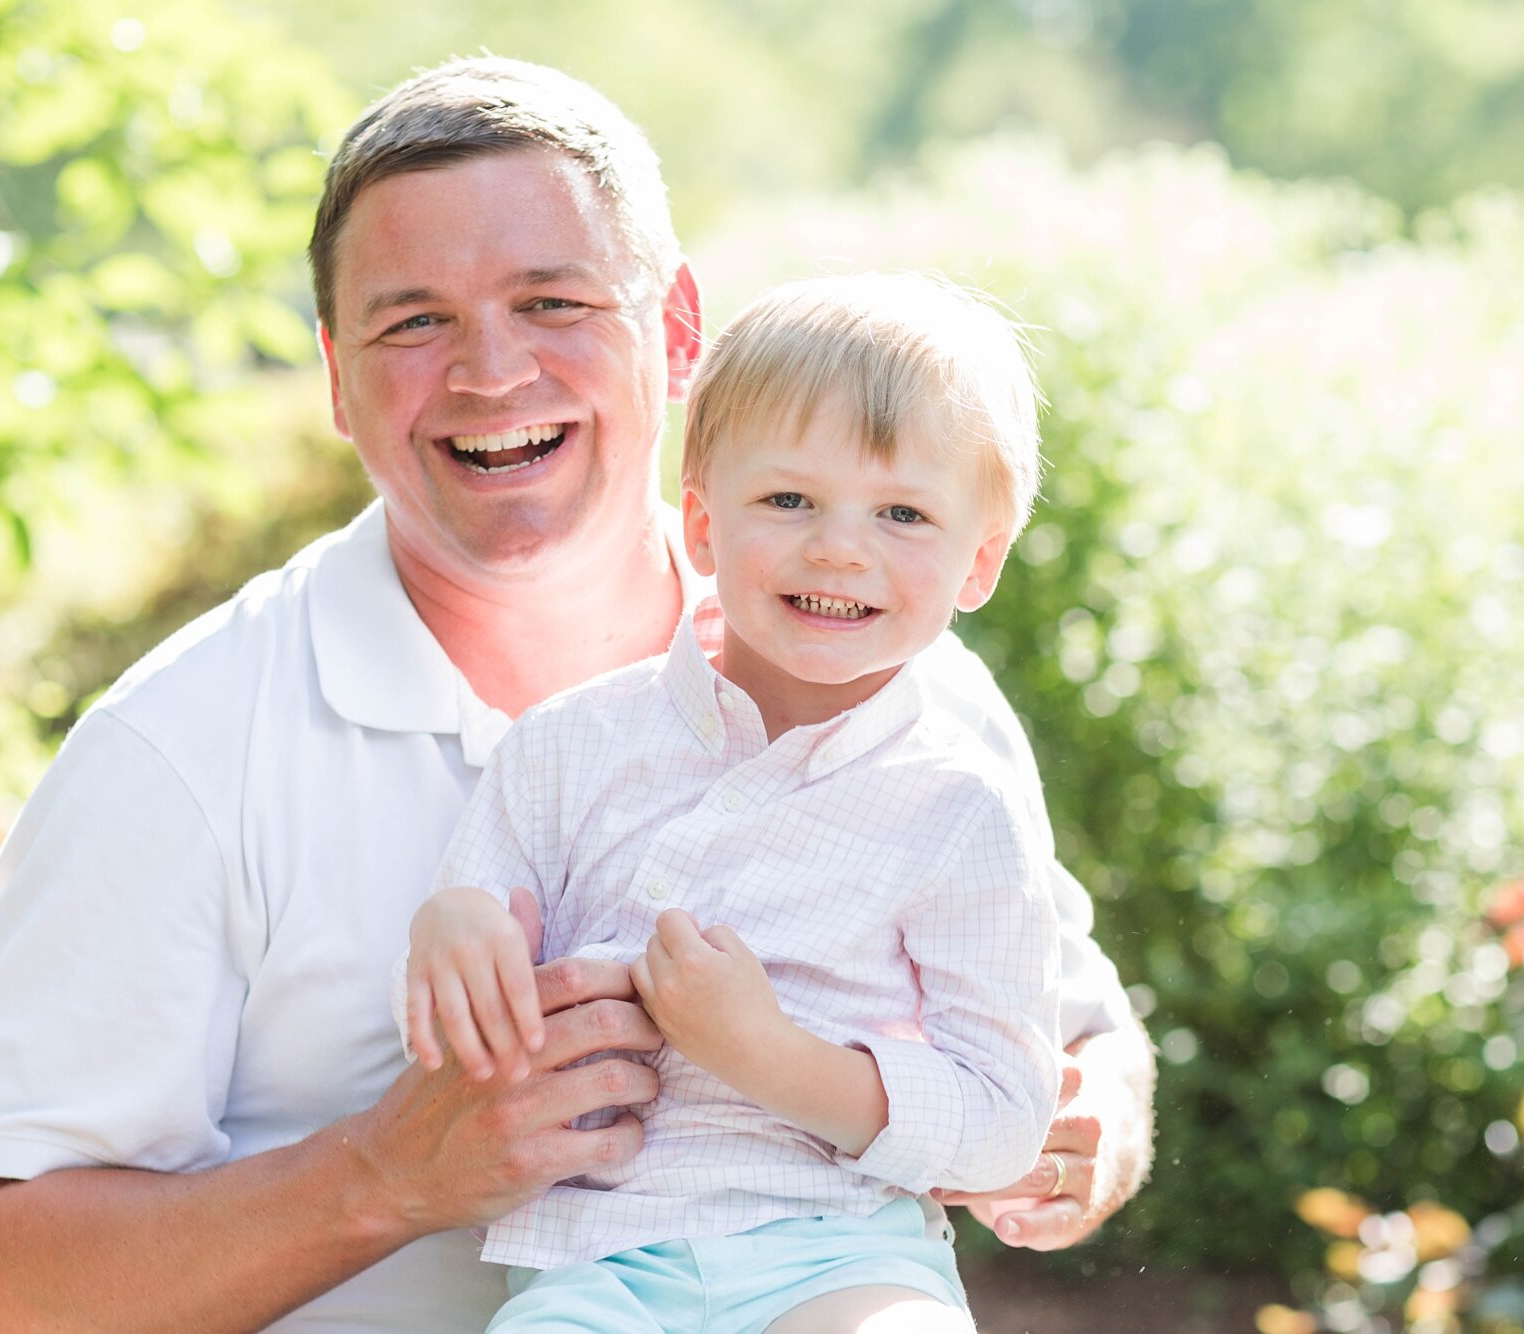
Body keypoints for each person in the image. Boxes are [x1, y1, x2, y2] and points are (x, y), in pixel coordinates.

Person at [0, 58, 1155, 1334]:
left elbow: (1078, 1040)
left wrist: (1084, 1137)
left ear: (675, 331)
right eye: (413, 322)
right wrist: (380, 1176)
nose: (490, 373)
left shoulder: (895, 677)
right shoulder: (173, 755)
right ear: (337, 376)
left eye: (550, 301)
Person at [403, 272, 1064, 1332]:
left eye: (902, 512)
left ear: (975, 561)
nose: (839, 546)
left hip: (838, 1249)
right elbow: (485, 902)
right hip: (597, 1260)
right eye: (788, 499)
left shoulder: (954, 806)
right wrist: (455, 919)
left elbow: (1000, 1121)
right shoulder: (571, 744)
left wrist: (768, 1054)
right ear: (703, 526)